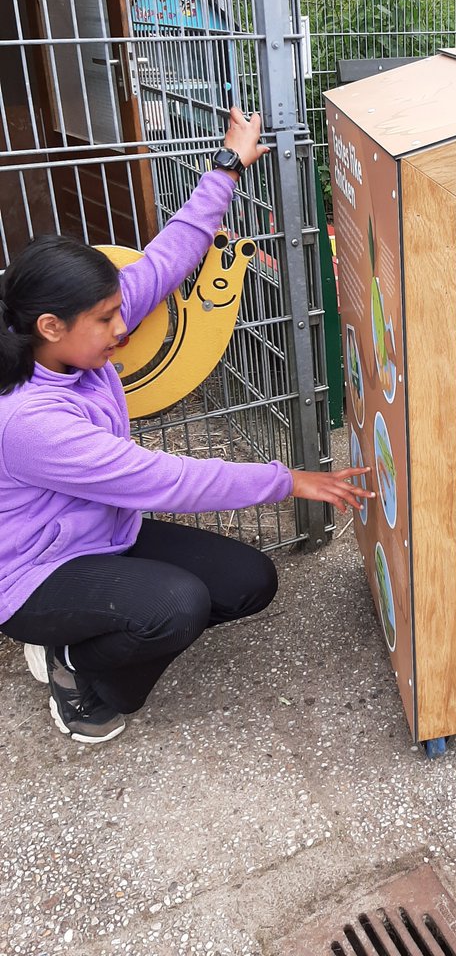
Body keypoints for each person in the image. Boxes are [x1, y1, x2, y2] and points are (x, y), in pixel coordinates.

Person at [0, 107, 373, 744]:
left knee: (250, 583)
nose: (124, 327)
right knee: (175, 606)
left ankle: (96, 629)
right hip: (35, 573)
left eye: (120, 310)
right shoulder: (29, 420)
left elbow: (170, 256)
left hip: (104, 534)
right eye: (108, 319)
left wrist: (229, 161)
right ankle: (78, 669)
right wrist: (289, 481)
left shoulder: (80, 338)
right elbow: (165, 479)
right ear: (50, 327)